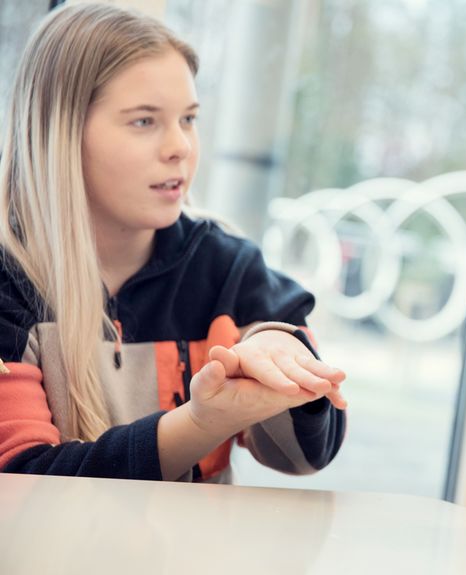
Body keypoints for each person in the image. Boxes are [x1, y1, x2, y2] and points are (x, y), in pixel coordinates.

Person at [0, 3, 347, 483]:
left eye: (188, 118)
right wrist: (203, 421)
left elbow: (306, 457)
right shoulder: (8, 276)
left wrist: (280, 352)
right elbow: (22, 477)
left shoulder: (228, 266)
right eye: (144, 121)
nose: (180, 147)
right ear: (60, 134)